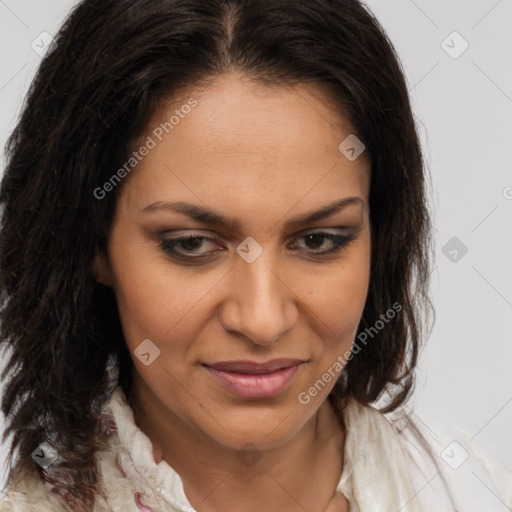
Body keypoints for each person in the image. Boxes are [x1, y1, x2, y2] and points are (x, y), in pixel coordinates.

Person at [0, 0, 510, 511]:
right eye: (192, 244)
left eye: (318, 240)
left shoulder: (476, 494)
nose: (263, 321)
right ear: (93, 244)